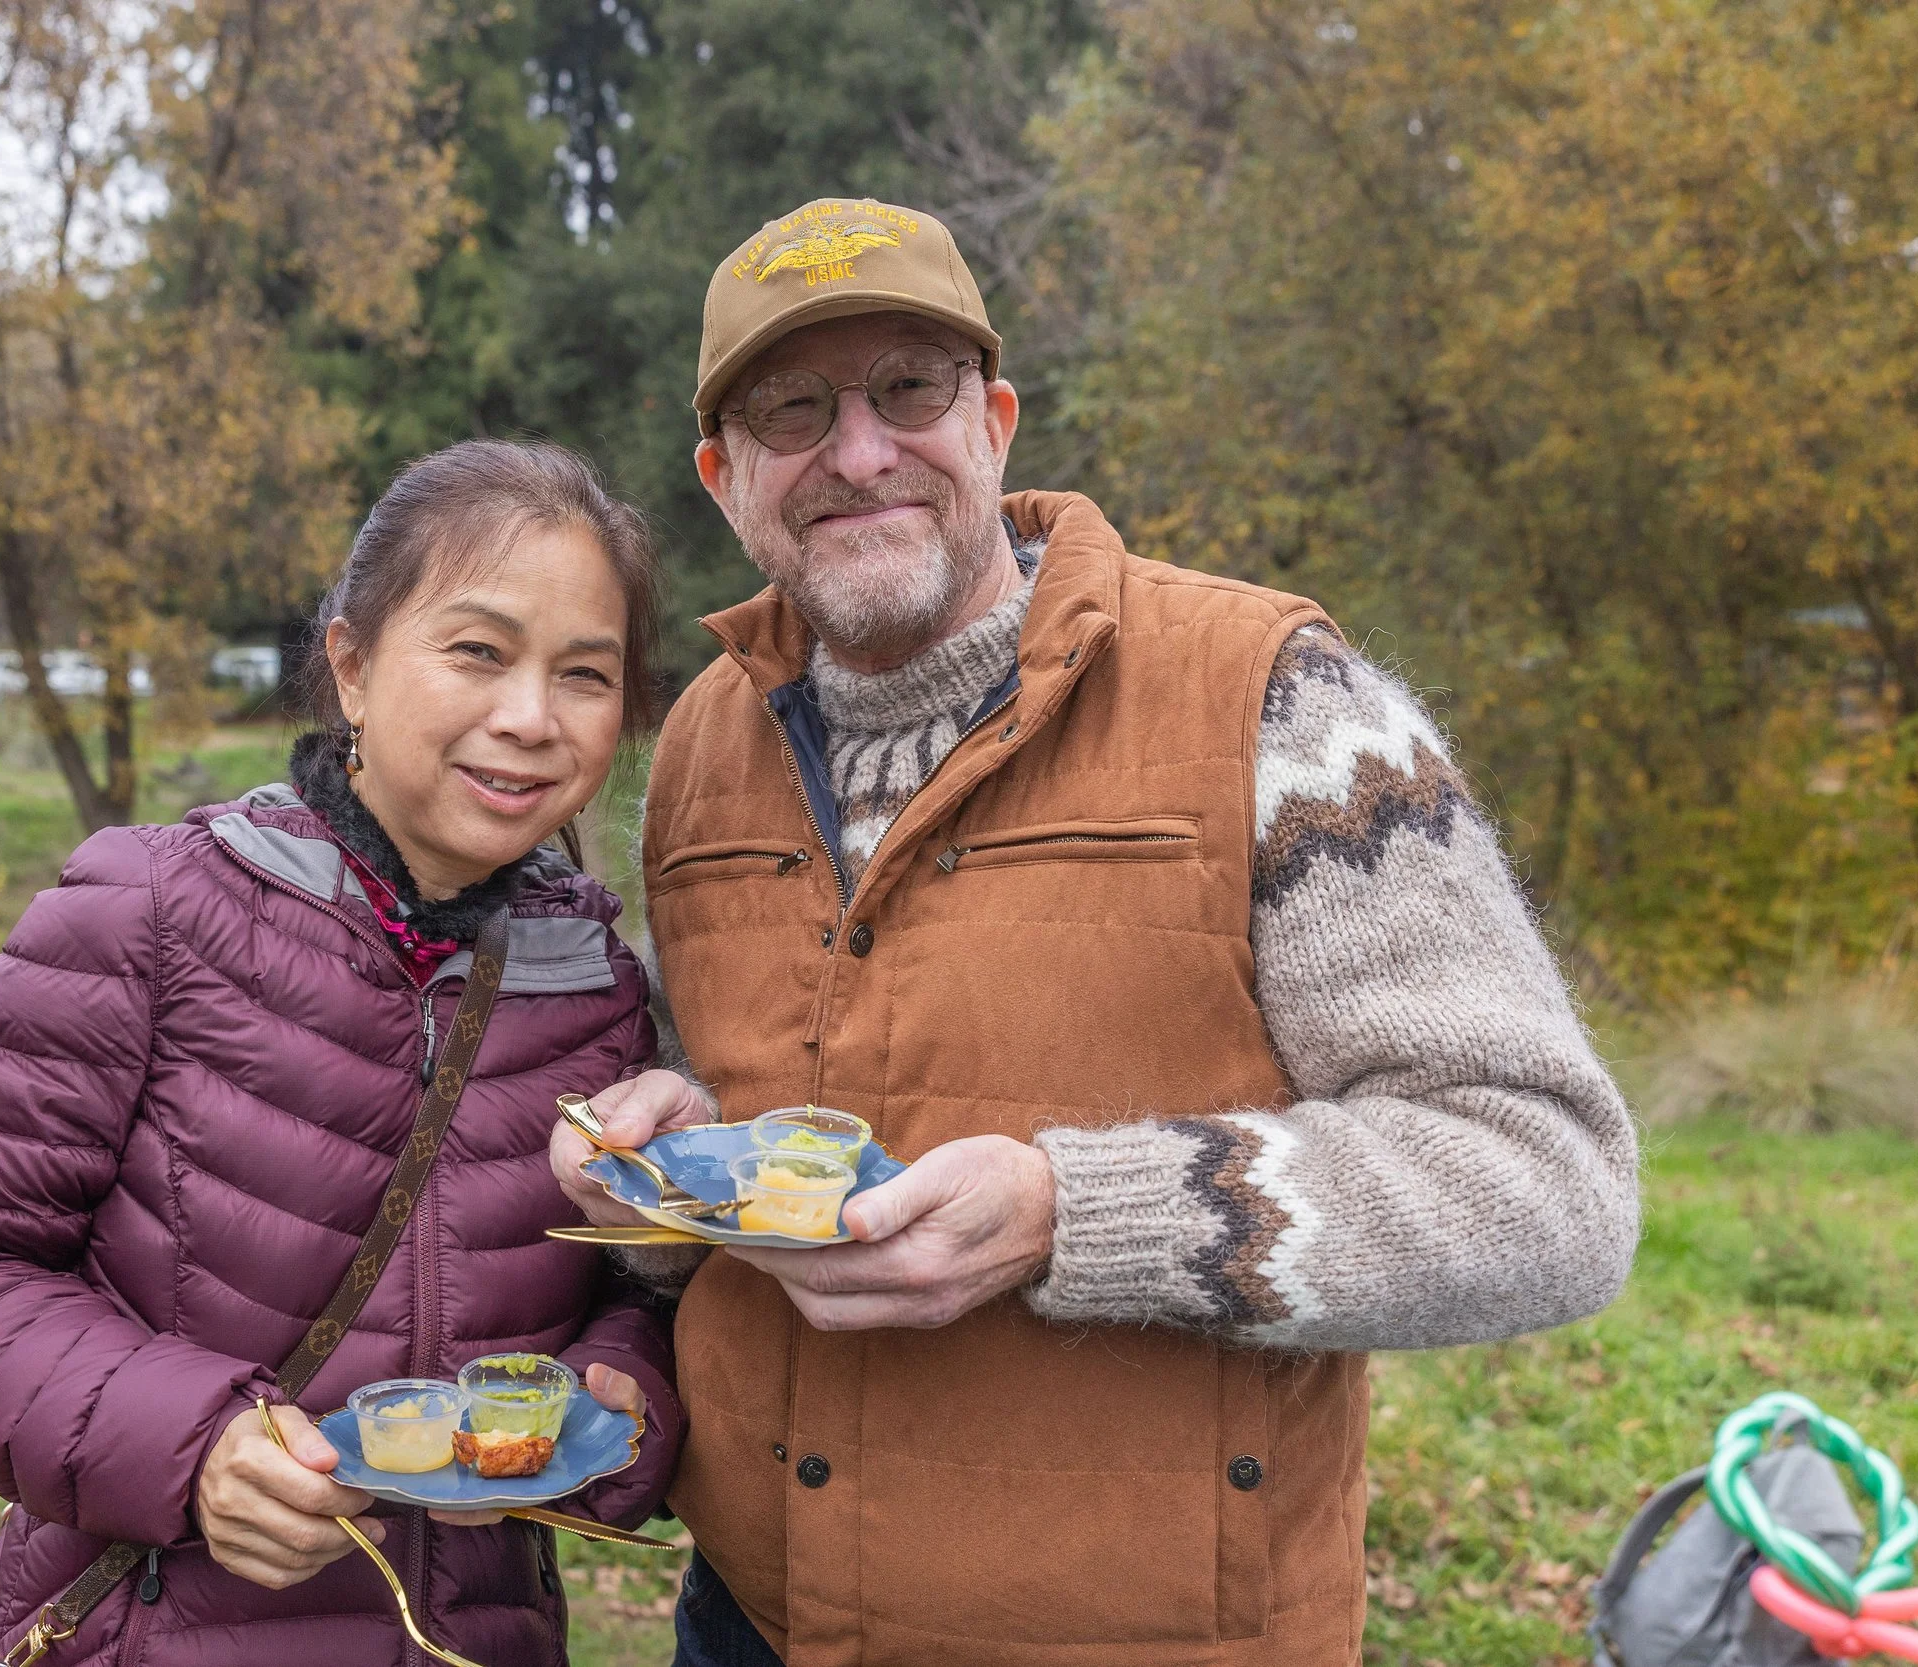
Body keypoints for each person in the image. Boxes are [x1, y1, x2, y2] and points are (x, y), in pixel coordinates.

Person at [551, 197, 1642, 1667]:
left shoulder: (1275, 700)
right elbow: (742, 1114)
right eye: (792, 409)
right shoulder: (697, 742)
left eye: (909, 390)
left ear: (994, 420)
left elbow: (1549, 1182)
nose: (859, 450)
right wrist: (664, 1171)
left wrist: (1077, 1211)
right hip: (751, 1616)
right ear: (724, 479)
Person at [0, 439, 684, 1666]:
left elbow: (620, 1287)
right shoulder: (146, 909)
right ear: (350, 663)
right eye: (477, 651)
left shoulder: (594, 986)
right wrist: (192, 1448)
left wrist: (622, 1388)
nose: (528, 717)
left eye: (585, 674)